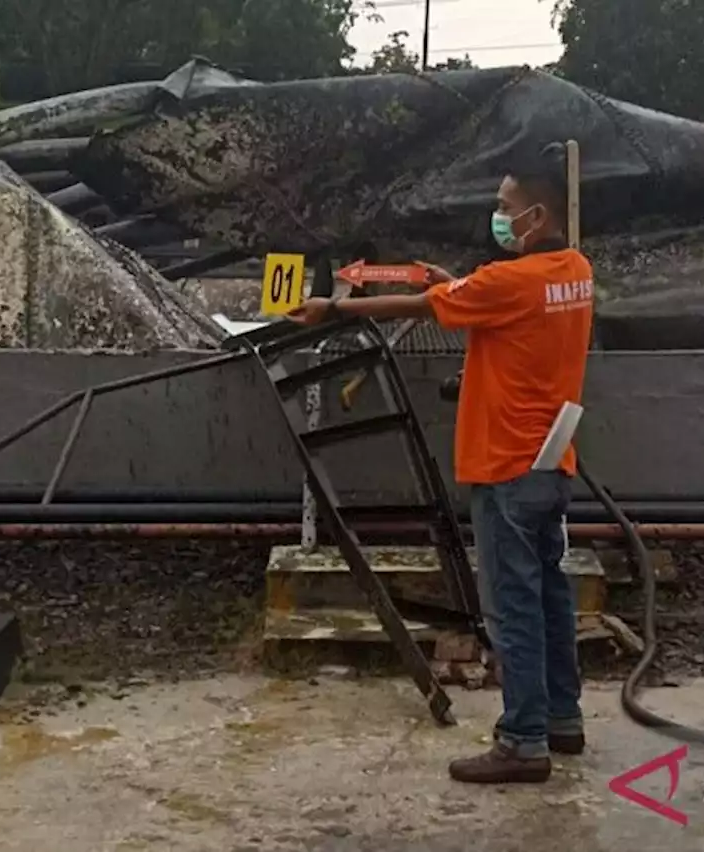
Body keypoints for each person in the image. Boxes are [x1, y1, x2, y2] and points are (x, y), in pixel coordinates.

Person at [287, 149, 595, 784]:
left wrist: (334, 310)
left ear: (537, 215)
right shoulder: (575, 272)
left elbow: (432, 308)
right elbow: (495, 305)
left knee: (512, 606)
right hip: (550, 461)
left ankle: (523, 740)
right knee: (551, 598)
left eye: (508, 209)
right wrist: (449, 281)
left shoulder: (508, 283)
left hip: (506, 465)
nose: (499, 218)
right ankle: (562, 720)